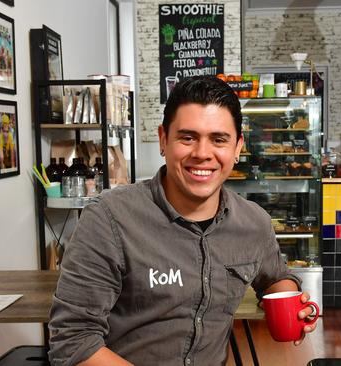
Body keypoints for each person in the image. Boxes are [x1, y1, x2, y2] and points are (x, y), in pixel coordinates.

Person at [48, 76, 317, 366]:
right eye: (187, 137)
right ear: (164, 139)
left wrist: (290, 305)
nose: (202, 154)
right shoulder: (108, 218)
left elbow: (276, 277)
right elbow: (73, 341)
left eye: (219, 139)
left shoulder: (254, 223)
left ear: (238, 147)